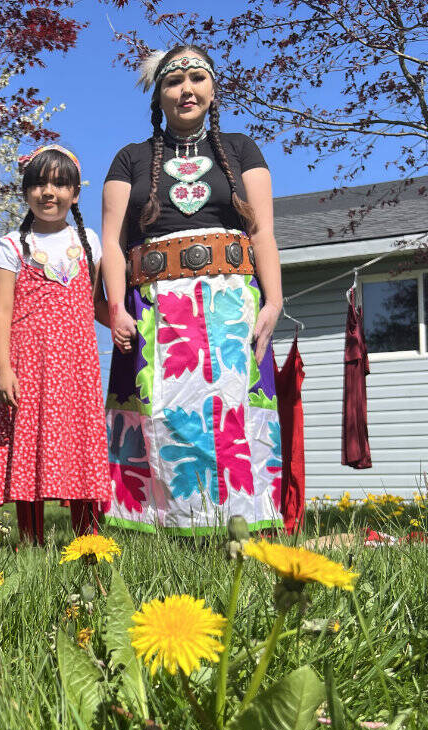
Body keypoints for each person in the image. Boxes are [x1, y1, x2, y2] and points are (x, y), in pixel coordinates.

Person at [102, 45, 284, 535]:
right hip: (155, 312)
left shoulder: (242, 149)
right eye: (173, 81)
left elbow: (263, 232)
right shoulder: (130, 158)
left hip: (231, 308)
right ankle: (166, 539)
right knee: (163, 419)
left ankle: (241, 533)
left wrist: (274, 300)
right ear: (158, 95)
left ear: (212, 88)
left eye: (197, 78)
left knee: (234, 419)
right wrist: (117, 308)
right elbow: (113, 244)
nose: (186, 89)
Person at [0, 145, 111, 545]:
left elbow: (95, 304)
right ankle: (30, 542)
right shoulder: (11, 246)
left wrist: (133, 324)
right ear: (26, 192)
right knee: (30, 445)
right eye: (39, 183)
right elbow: (2, 311)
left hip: (78, 367)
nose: (49, 192)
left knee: (81, 443)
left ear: (75, 194)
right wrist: (5, 369)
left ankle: (87, 543)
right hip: (31, 366)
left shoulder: (89, 242)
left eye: (60, 184)